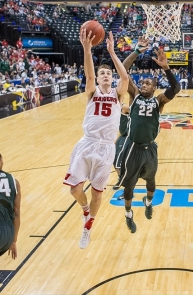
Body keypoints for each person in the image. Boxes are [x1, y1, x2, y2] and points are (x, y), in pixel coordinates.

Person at [63, 30, 129, 249]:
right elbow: (89, 76)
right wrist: (87, 49)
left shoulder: (118, 95)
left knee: (97, 195)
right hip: (87, 143)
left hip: (106, 148)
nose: (105, 76)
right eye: (102, 74)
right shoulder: (92, 92)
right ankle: (84, 210)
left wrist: (111, 52)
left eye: (107, 74)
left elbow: (125, 77)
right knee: (75, 190)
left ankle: (88, 226)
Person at [117, 38, 180, 233]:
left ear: (154, 88)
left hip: (150, 147)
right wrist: (136, 51)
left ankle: (149, 202)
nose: (143, 85)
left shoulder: (159, 101)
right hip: (133, 147)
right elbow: (122, 72)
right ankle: (128, 215)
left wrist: (166, 68)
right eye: (142, 82)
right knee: (129, 186)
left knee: (151, 181)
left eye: (147, 83)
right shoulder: (134, 95)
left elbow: (175, 89)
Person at [0, 153, 21, 259]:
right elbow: (16, 213)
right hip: (8, 235)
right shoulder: (14, 181)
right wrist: (13, 240)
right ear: (1, 162)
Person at [113, 103, 130, 194]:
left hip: (127, 138)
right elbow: (122, 128)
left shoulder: (124, 107)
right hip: (122, 137)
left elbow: (129, 108)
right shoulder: (116, 112)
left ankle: (127, 188)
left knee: (120, 163)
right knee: (114, 160)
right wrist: (116, 140)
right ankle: (121, 178)